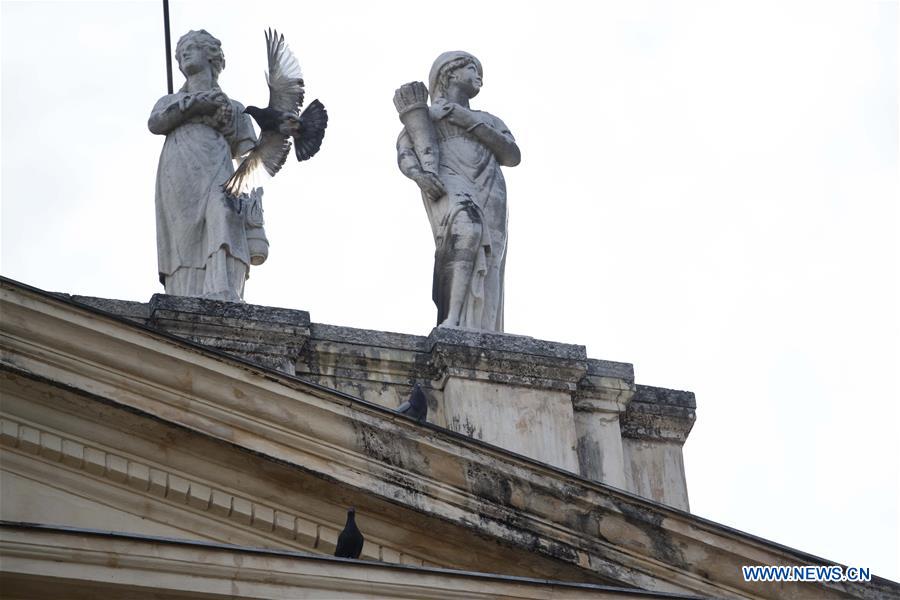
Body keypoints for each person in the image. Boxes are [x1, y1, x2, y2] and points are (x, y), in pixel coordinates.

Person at [397, 51, 520, 331]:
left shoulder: (488, 119)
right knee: (467, 228)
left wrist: (466, 120)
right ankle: (452, 318)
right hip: (449, 180)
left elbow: (512, 155)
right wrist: (418, 176)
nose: (479, 76)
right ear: (449, 73)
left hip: (490, 187)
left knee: (490, 258)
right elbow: (405, 151)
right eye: (471, 68)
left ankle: (483, 327)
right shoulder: (426, 117)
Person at [149, 30, 264, 302]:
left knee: (223, 213)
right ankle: (186, 295)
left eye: (192, 47)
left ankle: (223, 288)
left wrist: (254, 202)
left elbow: (251, 158)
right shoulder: (171, 102)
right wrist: (193, 104)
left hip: (219, 166)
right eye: (180, 52)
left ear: (210, 54)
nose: (184, 54)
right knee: (185, 235)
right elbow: (155, 123)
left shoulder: (235, 108)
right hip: (179, 171)